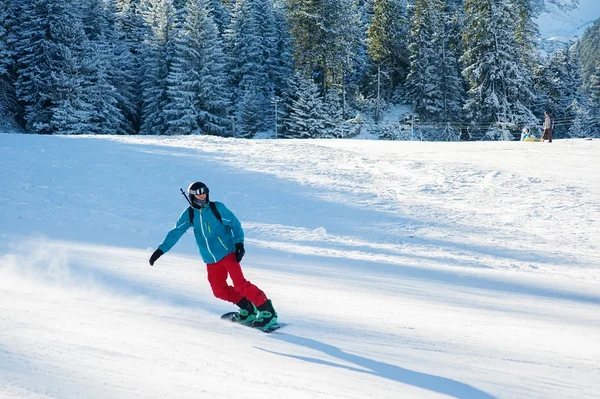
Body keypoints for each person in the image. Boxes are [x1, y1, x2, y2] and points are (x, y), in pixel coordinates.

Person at [149, 182, 278, 331]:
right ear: (191, 196)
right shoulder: (190, 214)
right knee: (219, 290)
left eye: (204, 192)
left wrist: (239, 244)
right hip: (211, 259)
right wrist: (160, 250)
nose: (202, 196)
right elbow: (176, 232)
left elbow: (235, 225)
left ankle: (268, 311)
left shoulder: (217, 208)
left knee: (240, 284)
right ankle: (247, 309)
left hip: (228, 253)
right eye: (198, 193)